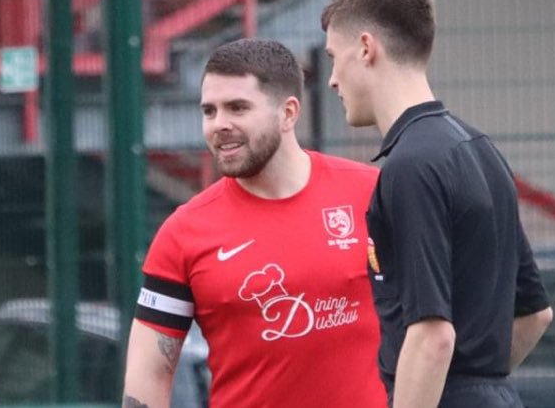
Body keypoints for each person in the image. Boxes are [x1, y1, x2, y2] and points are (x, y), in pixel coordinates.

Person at [320, 0, 554, 408]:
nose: (332, 79)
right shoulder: (481, 150)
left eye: (334, 58)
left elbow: (432, 335)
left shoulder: (411, 166)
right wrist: (481, 389)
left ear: (367, 48)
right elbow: (535, 314)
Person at [123, 39, 387, 407]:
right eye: (209, 111)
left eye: (237, 108)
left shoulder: (373, 194)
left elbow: (433, 325)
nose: (219, 125)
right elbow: (148, 373)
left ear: (289, 113)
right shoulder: (184, 232)